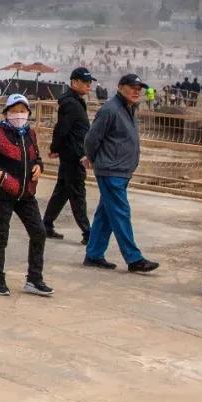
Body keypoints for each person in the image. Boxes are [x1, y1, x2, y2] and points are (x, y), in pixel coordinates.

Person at [0, 94, 53, 297]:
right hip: (2, 193)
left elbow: (37, 157)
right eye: (14, 111)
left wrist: (39, 167)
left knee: (39, 232)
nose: (18, 115)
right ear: (6, 113)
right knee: (0, 235)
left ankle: (34, 279)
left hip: (26, 194)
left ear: (28, 113)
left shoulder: (30, 134)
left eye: (22, 111)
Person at [82, 74, 160, 273]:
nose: (137, 91)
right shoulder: (110, 109)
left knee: (106, 213)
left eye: (139, 88)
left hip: (122, 170)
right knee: (121, 212)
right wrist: (91, 157)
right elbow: (92, 138)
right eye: (132, 87)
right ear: (120, 87)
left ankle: (94, 254)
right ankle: (134, 258)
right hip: (110, 170)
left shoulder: (129, 109)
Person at [43, 67, 94, 244]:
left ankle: (46, 224)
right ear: (74, 82)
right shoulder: (71, 103)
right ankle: (88, 233)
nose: (89, 85)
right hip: (74, 155)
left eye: (89, 82)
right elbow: (62, 129)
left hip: (72, 152)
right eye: (85, 82)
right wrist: (55, 147)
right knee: (78, 194)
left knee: (62, 191)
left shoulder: (75, 101)